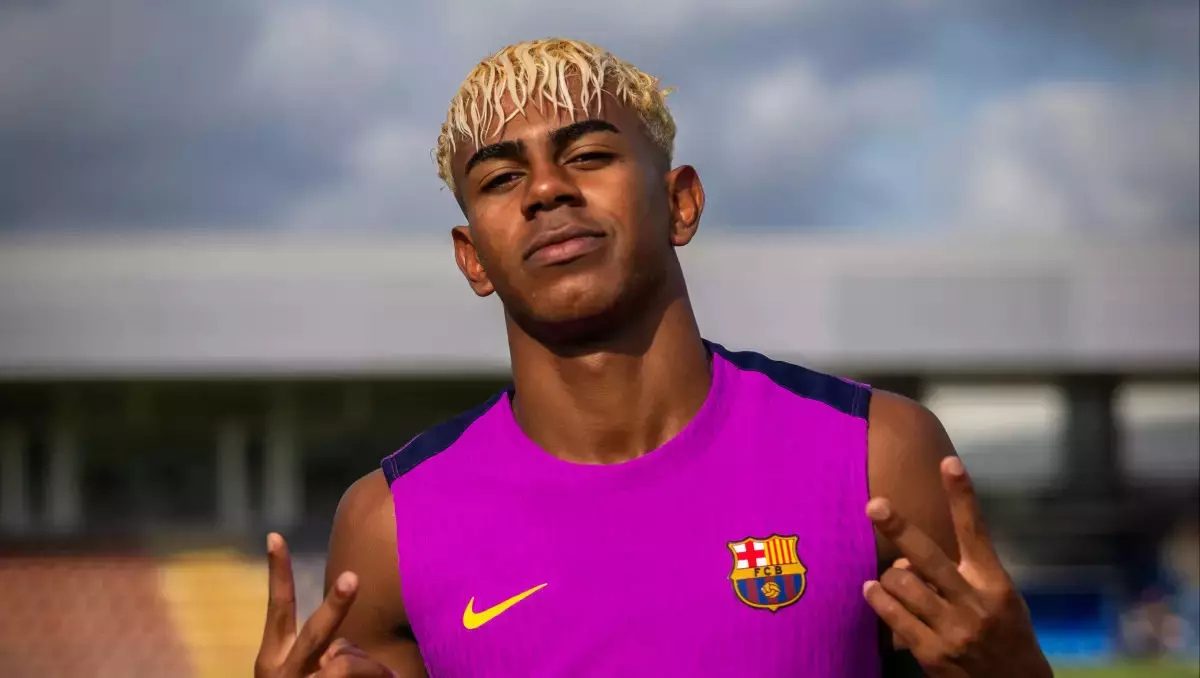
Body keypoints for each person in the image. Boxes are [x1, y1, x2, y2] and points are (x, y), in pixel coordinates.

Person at [253, 38, 1052, 677]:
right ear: (472, 257)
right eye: (501, 177)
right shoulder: (390, 527)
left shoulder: (876, 454)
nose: (545, 191)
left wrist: (1015, 670)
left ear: (680, 202)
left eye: (588, 156)